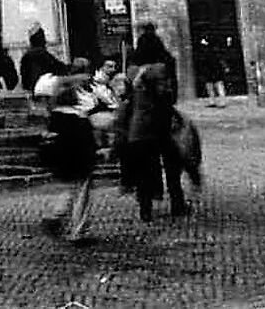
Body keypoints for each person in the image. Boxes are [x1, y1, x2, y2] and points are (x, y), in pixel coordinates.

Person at [108, 62, 190, 221]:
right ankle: (176, 204)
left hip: (141, 136)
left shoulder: (137, 92)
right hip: (158, 134)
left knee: (145, 173)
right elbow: (168, 109)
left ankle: (146, 209)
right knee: (171, 170)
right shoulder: (160, 93)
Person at [38, 69, 102, 244]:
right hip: (81, 161)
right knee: (81, 195)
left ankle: (54, 215)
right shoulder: (79, 118)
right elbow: (88, 142)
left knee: (67, 190)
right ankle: (77, 231)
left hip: (62, 161)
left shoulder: (55, 117)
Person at [130, 20, 179, 99]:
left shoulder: (153, 39)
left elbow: (161, 51)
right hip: (148, 63)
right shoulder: (146, 39)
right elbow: (159, 52)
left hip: (151, 63)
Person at [18, 28, 65, 97]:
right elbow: (59, 68)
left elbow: (23, 77)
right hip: (43, 91)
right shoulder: (43, 54)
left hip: (31, 91)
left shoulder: (26, 56)